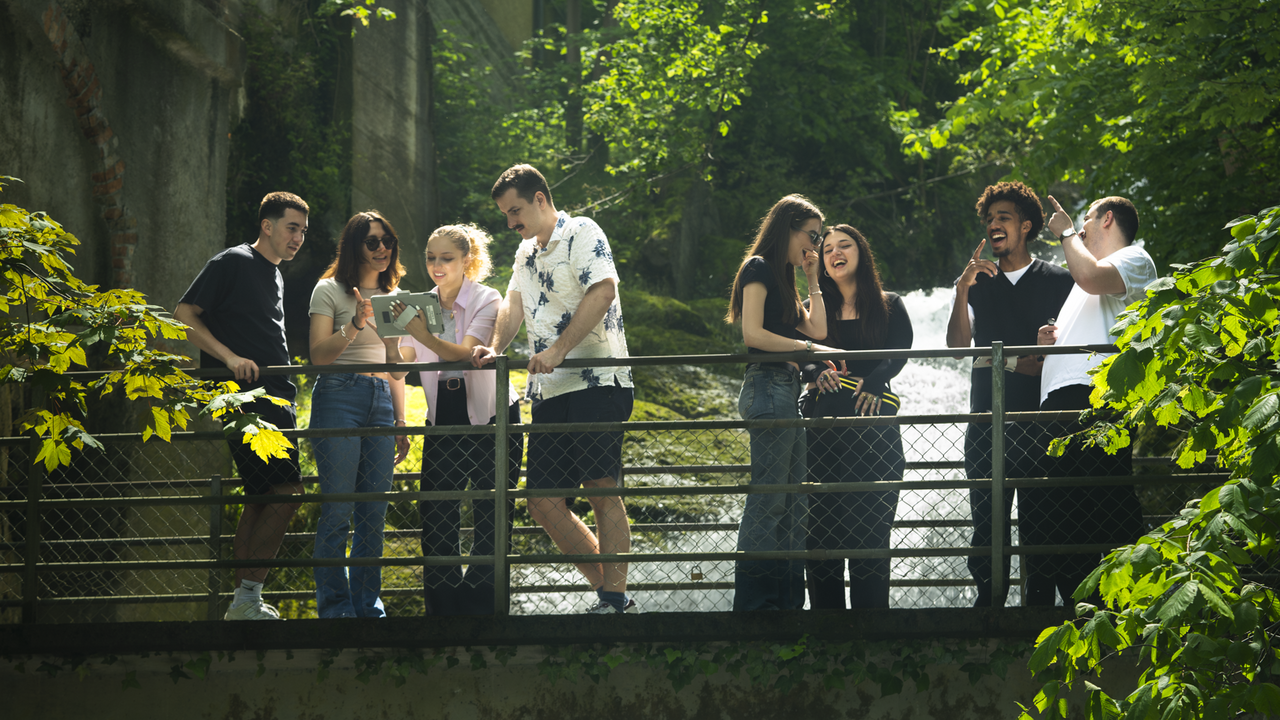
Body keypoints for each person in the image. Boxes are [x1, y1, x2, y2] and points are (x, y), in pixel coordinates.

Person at [471, 164, 636, 615]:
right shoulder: (525, 253)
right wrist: (494, 347)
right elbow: (513, 303)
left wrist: (561, 349)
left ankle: (613, 599)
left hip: (599, 380)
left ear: (541, 199)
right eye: (506, 215)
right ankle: (612, 592)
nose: (511, 223)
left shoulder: (583, 231)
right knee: (541, 502)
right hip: (548, 389)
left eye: (516, 211)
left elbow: (603, 291)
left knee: (601, 484)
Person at [175, 191, 309, 621]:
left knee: (261, 498)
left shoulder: (274, 274)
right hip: (247, 398)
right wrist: (229, 357)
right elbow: (183, 313)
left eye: (303, 231)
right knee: (288, 494)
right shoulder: (232, 261)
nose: (298, 238)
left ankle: (244, 601)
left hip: (276, 396)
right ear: (267, 225)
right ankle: (247, 598)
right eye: (292, 227)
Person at [1025, 195, 1157, 606]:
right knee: (1059, 512)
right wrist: (1046, 342)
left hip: (1097, 398)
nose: (1079, 228)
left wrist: (1064, 231)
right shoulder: (1082, 282)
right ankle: (1085, 606)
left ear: (1108, 219)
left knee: (1104, 501)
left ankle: (1137, 601)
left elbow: (1091, 277)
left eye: (1085, 220)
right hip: (1059, 403)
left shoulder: (1136, 259)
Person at [946, 181, 1074, 608]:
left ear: (1026, 226)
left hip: (1041, 422)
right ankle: (989, 604)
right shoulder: (976, 283)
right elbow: (957, 348)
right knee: (987, 522)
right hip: (985, 419)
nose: (993, 225)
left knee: (1043, 521)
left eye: (1003, 217)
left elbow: (1059, 357)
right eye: (989, 219)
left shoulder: (1060, 282)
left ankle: (1038, 609)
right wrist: (961, 290)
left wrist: (1007, 360)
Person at [396, 224, 522, 616]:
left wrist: (421, 333)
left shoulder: (488, 298)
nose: (436, 265)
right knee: (436, 514)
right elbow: (402, 365)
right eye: (431, 257)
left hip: (493, 415)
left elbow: (468, 353)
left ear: (466, 261)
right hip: (442, 415)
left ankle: (483, 609)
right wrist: (384, 329)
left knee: (492, 514)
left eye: (446, 258)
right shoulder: (418, 304)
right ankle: (444, 612)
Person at [725, 194, 837, 611]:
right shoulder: (757, 268)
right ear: (787, 227)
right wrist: (803, 347)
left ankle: (788, 604)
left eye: (820, 238)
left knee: (793, 501)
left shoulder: (787, 280)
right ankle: (754, 607)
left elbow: (821, 328)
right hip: (767, 387)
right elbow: (752, 335)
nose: (815, 245)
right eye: (811, 235)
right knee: (770, 499)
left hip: (785, 390)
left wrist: (812, 279)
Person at [801, 224, 913, 610]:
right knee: (819, 538)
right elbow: (800, 355)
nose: (835, 252)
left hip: (874, 438)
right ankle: (825, 633)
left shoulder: (889, 303)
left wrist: (875, 380)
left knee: (870, 536)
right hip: (822, 439)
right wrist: (817, 372)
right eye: (827, 247)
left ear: (861, 252)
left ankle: (872, 633)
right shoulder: (814, 308)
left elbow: (900, 352)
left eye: (844, 245)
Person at [307, 210, 411, 618]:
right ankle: (336, 610)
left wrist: (401, 421)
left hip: (381, 398)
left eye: (388, 241)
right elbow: (318, 357)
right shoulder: (328, 291)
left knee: (373, 510)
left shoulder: (396, 294)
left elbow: (397, 371)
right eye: (372, 242)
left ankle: (368, 608)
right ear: (354, 246)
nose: (382, 248)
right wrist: (354, 325)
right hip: (339, 395)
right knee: (338, 509)